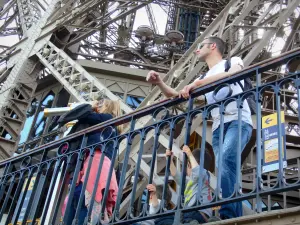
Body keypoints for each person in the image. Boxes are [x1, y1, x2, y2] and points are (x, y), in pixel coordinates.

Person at [146, 36, 253, 220]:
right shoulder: (203, 76)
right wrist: (160, 83)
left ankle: (228, 214)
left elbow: (234, 73)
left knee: (227, 159)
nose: (196, 50)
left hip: (238, 121)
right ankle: (234, 214)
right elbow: (175, 95)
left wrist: (199, 84)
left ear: (212, 46)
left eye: (200, 46)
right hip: (219, 127)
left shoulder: (232, 61)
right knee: (226, 166)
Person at [60, 99, 122, 225]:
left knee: (81, 201)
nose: (98, 107)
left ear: (107, 107)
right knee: (78, 201)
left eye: (101, 105)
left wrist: (90, 106)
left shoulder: (107, 118)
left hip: (94, 167)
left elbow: (83, 116)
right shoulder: (106, 125)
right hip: (90, 167)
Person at [166, 145, 212, 224]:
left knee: (181, 219)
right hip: (195, 214)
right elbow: (176, 175)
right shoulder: (191, 181)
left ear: (190, 165)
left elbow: (197, 172)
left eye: (187, 165)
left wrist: (189, 154)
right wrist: (169, 161)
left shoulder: (204, 174)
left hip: (196, 212)